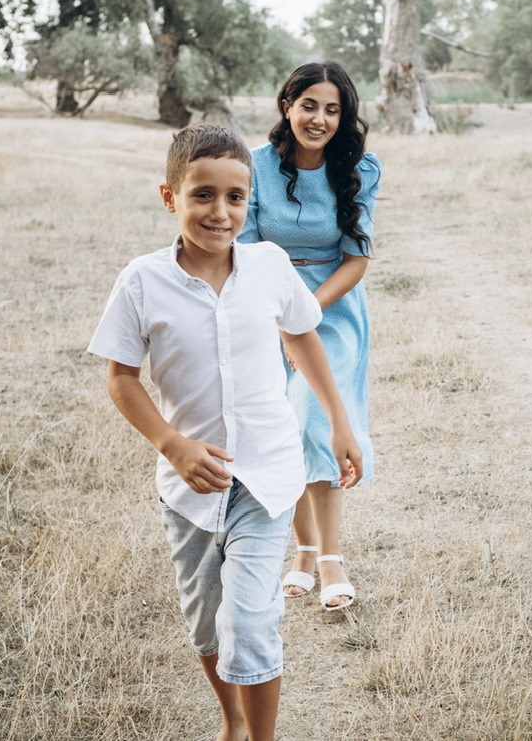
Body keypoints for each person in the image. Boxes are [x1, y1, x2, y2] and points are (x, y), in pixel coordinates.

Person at [87, 123, 363, 741]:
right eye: (202, 195)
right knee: (208, 622)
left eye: (235, 197)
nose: (220, 211)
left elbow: (303, 336)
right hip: (191, 486)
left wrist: (339, 423)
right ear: (170, 198)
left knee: (251, 620)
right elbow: (122, 378)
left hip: (267, 475)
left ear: (250, 199)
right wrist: (173, 445)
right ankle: (232, 720)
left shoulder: (268, 266)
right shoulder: (141, 280)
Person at [239, 60, 380, 612]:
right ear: (287, 105)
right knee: (284, 424)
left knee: (315, 412)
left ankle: (330, 557)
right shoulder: (254, 166)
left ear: (343, 117)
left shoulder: (360, 169)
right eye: (308, 106)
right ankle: (302, 550)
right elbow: (244, 250)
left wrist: (305, 311)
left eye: (332, 109)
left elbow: (357, 258)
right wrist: (277, 314)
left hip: (331, 305)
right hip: (263, 301)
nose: (318, 119)